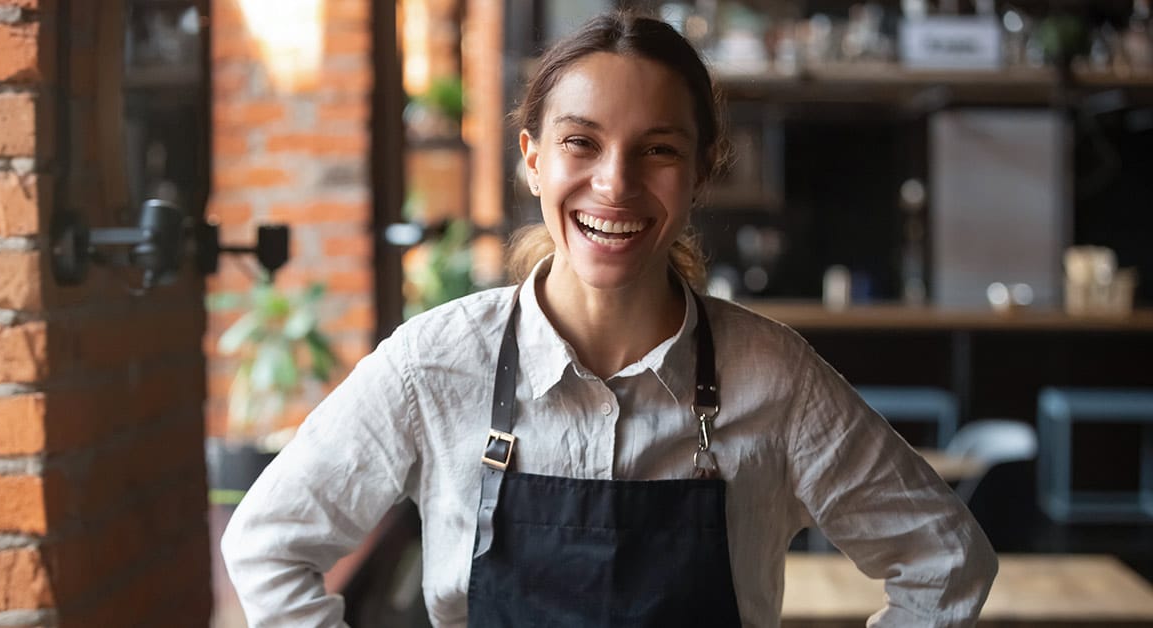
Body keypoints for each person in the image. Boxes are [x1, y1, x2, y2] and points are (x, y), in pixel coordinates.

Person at [222, 10, 997, 627]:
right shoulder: (434, 365)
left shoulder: (775, 378)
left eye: (657, 150)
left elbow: (945, 562)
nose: (614, 184)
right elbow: (268, 544)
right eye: (580, 143)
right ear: (532, 160)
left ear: (700, 173)